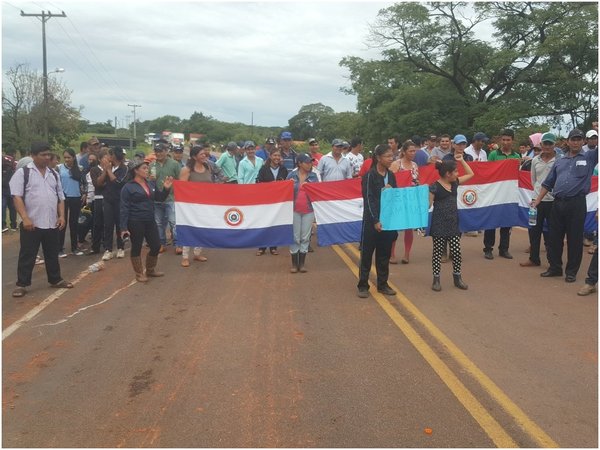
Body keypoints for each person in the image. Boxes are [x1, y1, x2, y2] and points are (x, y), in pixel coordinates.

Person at [9, 141, 74, 297]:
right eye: (43, 155)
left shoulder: (54, 174)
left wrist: (62, 216)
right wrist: (25, 218)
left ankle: (55, 279)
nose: (46, 157)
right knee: (28, 254)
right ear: (33, 156)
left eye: (48, 155)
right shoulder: (23, 173)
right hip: (31, 223)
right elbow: (16, 197)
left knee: (52, 252)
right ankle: (22, 284)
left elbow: (60, 198)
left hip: (51, 222)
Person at [534, 128, 598, 283]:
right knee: (554, 237)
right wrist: (538, 200)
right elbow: (548, 183)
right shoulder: (560, 161)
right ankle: (555, 268)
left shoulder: (590, 157)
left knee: (574, 239)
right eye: (573, 139)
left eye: (579, 139)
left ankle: (571, 272)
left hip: (576, 203)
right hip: (558, 203)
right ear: (568, 141)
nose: (575, 142)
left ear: (583, 142)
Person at [120, 160, 172, 282]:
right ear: (136, 170)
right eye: (144, 168)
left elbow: (159, 198)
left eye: (147, 168)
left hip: (149, 219)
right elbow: (123, 208)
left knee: (156, 245)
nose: (147, 170)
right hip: (135, 221)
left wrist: (166, 188)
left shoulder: (150, 184)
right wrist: (123, 227)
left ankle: (150, 270)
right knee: (137, 246)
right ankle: (139, 273)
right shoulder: (128, 187)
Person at [357, 143, 398, 298]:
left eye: (391, 156)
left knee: (384, 255)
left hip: (388, 222)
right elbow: (369, 199)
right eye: (387, 156)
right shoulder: (369, 176)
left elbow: (395, 198)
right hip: (371, 222)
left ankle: (382, 284)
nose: (390, 159)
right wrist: (375, 220)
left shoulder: (391, 175)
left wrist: (391, 191)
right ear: (378, 158)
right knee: (367, 254)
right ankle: (363, 285)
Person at [429, 154, 475, 291]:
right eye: (455, 171)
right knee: (437, 253)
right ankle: (436, 279)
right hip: (439, 224)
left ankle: (457, 278)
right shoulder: (434, 187)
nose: (457, 173)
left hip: (453, 223)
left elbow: (471, 173)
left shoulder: (455, 183)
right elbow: (427, 205)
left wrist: (461, 161)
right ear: (448, 174)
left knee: (456, 252)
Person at [178, 145, 225, 267]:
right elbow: (182, 189)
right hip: (190, 206)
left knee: (203, 228)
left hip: (206, 205)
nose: (205, 156)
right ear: (194, 156)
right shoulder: (186, 170)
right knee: (189, 229)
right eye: (202, 154)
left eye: (205, 154)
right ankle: (185, 256)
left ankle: (197, 253)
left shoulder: (208, 166)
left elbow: (214, 182)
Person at [520, 132, 557, 268]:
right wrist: (537, 196)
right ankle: (534, 259)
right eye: (544, 144)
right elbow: (534, 180)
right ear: (540, 145)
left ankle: (553, 261)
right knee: (534, 231)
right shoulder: (535, 160)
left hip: (553, 201)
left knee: (552, 232)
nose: (547, 146)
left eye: (549, 144)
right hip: (537, 201)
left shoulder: (560, 160)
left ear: (554, 145)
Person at [483, 128, 521, 260]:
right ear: (500, 140)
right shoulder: (493, 154)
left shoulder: (516, 156)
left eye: (508, 140)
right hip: (494, 193)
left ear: (512, 141)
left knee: (507, 221)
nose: (505, 142)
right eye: (503, 140)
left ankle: (504, 249)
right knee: (491, 222)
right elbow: (488, 172)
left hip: (508, 194)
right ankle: (488, 249)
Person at [286, 153, 320, 273]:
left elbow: (318, 191)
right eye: (307, 162)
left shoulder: (314, 176)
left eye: (311, 162)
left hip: (308, 210)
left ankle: (302, 263)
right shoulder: (291, 175)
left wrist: (310, 186)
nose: (310, 164)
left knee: (305, 237)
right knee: (295, 236)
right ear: (299, 163)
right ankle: (294, 264)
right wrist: (287, 185)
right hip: (294, 209)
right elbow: (284, 192)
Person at [390, 140, 420, 264]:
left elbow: (417, 180)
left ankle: (407, 254)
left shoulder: (415, 165)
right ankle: (392, 254)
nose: (413, 153)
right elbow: (391, 181)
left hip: (411, 199)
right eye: (410, 151)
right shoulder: (396, 164)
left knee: (409, 227)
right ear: (404, 152)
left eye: (414, 151)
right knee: (394, 228)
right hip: (398, 199)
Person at [149, 140, 181, 254]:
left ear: (166, 151)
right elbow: (149, 181)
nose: (158, 154)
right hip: (157, 199)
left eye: (161, 151)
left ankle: (178, 244)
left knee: (173, 222)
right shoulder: (151, 165)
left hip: (171, 198)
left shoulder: (174, 164)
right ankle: (161, 243)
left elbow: (180, 181)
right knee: (158, 223)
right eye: (156, 151)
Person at [256, 148, 289, 256]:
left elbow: (286, 184)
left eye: (278, 156)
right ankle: (262, 247)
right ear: (270, 156)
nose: (277, 158)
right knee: (264, 223)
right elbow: (258, 183)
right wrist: (271, 185)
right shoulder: (263, 169)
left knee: (275, 223)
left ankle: (273, 247)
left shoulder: (283, 169)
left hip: (278, 202)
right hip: (265, 201)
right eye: (274, 155)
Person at [101, 147, 129, 261]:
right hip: (108, 199)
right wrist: (105, 171)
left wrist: (108, 171)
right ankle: (108, 249)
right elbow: (99, 182)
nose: (107, 157)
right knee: (107, 225)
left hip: (119, 200)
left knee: (119, 224)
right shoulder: (108, 167)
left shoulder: (124, 169)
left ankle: (120, 247)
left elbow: (119, 183)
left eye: (109, 155)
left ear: (114, 156)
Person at [58, 148, 85, 257]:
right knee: (62, 223)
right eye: (65, 157)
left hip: (76, 197)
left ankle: (74, 248)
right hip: (63, 198)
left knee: (74, 223)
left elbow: (84, 182)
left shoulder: (80, 168)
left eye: (69, 157)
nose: (67, 159)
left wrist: (84, 193)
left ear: (74, 157)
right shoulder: (59, 168)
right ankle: (59, 249)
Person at [89, 149, 108, 255]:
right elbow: (97, 184)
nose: (107, 159)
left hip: (108, 198)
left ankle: (107, 245)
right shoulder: (94, 169)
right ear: (100, 159)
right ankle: (95, 246)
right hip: (99, 198)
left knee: (108, 223)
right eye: (105, 157)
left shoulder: (112, 169)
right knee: (97, 223)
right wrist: (105, 172)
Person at [2, 154, 17, 232]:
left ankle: (3, 225)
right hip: (10, 190)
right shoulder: (12, 167)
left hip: (5, 190)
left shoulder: (7, 167)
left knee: (3, 207)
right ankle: (13, 225)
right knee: (12, 208)